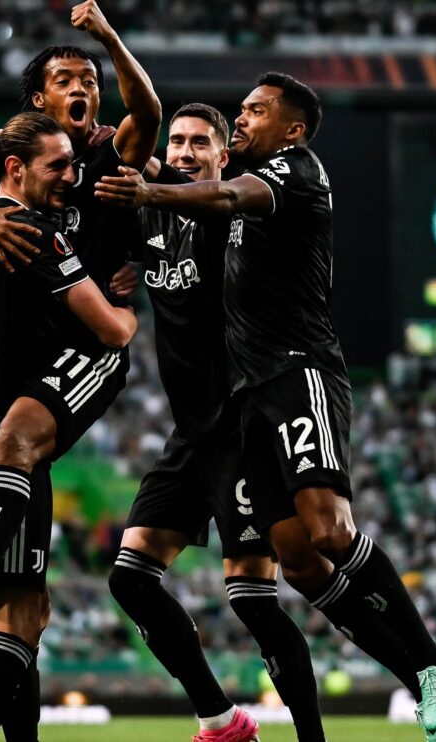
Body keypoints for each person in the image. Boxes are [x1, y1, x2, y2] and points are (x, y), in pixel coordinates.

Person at [96, 72, 436, 742]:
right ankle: (414, 675)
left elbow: (217, 187)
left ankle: (430, 661)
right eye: (240, 109)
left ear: (290, 128)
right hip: (243, 398)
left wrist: (149, 180)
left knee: (323, 535)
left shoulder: (290, 173)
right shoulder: (193, 208)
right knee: (297, 557)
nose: (242, 118)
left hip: (297, 372)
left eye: (253, 112)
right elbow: (154, 176)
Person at [0, 111, 138, 742]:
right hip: (3, 442)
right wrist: (129, 306)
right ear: (17, 168)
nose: (71, 176)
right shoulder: (30, 229)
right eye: (57, 166)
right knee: (11, 620)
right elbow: (112, 331)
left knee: (28, 612)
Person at [107, 103, 273, 742]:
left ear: (222, 157)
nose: (183, 150)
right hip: (190, 434)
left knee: (263, 599)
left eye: (199, 142)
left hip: (240, 426)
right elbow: (129, 169)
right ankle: (220, 718)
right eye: (175, 140)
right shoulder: (149, 216)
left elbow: (164, 173)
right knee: (129, 577)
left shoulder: (221, 213)